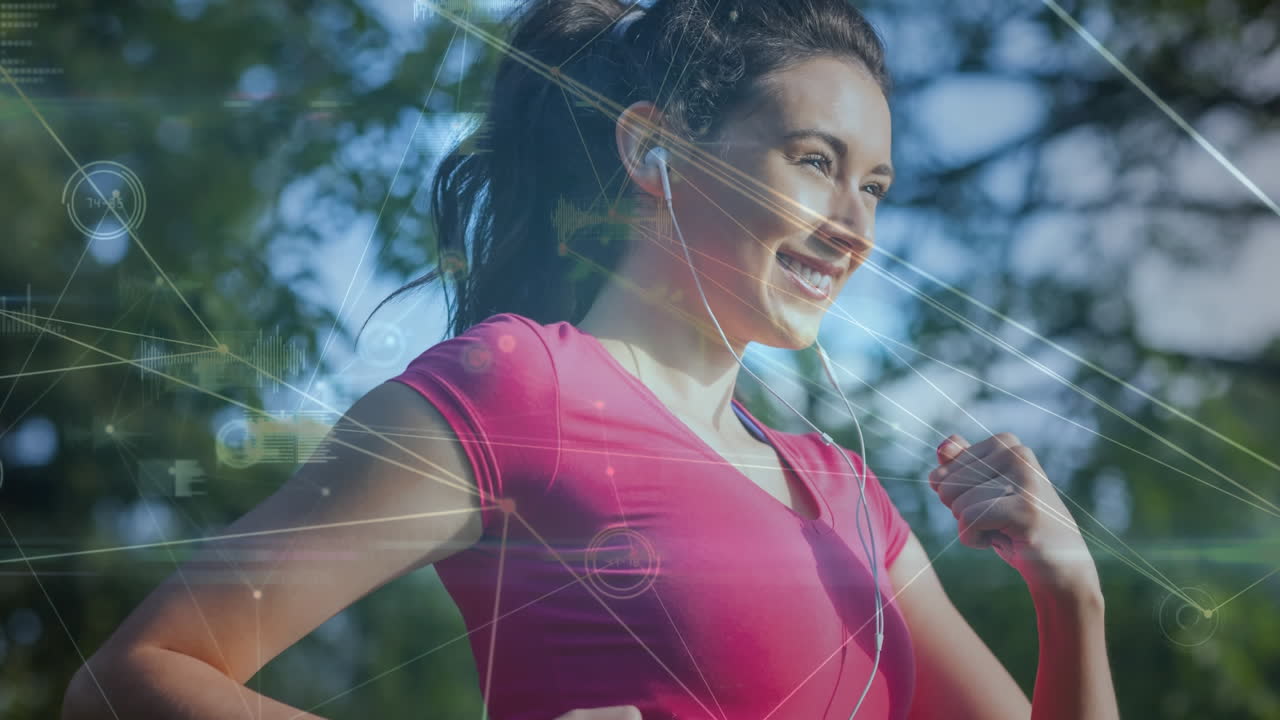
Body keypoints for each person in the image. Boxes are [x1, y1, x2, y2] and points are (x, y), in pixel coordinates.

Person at [62, 1, 1120, 718]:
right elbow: (133, 680)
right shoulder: (518, 387)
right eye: (813, 163)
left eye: (874, 186)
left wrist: (1067, 596)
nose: (853, 226)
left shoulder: (852, 500)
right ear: (650, 148)